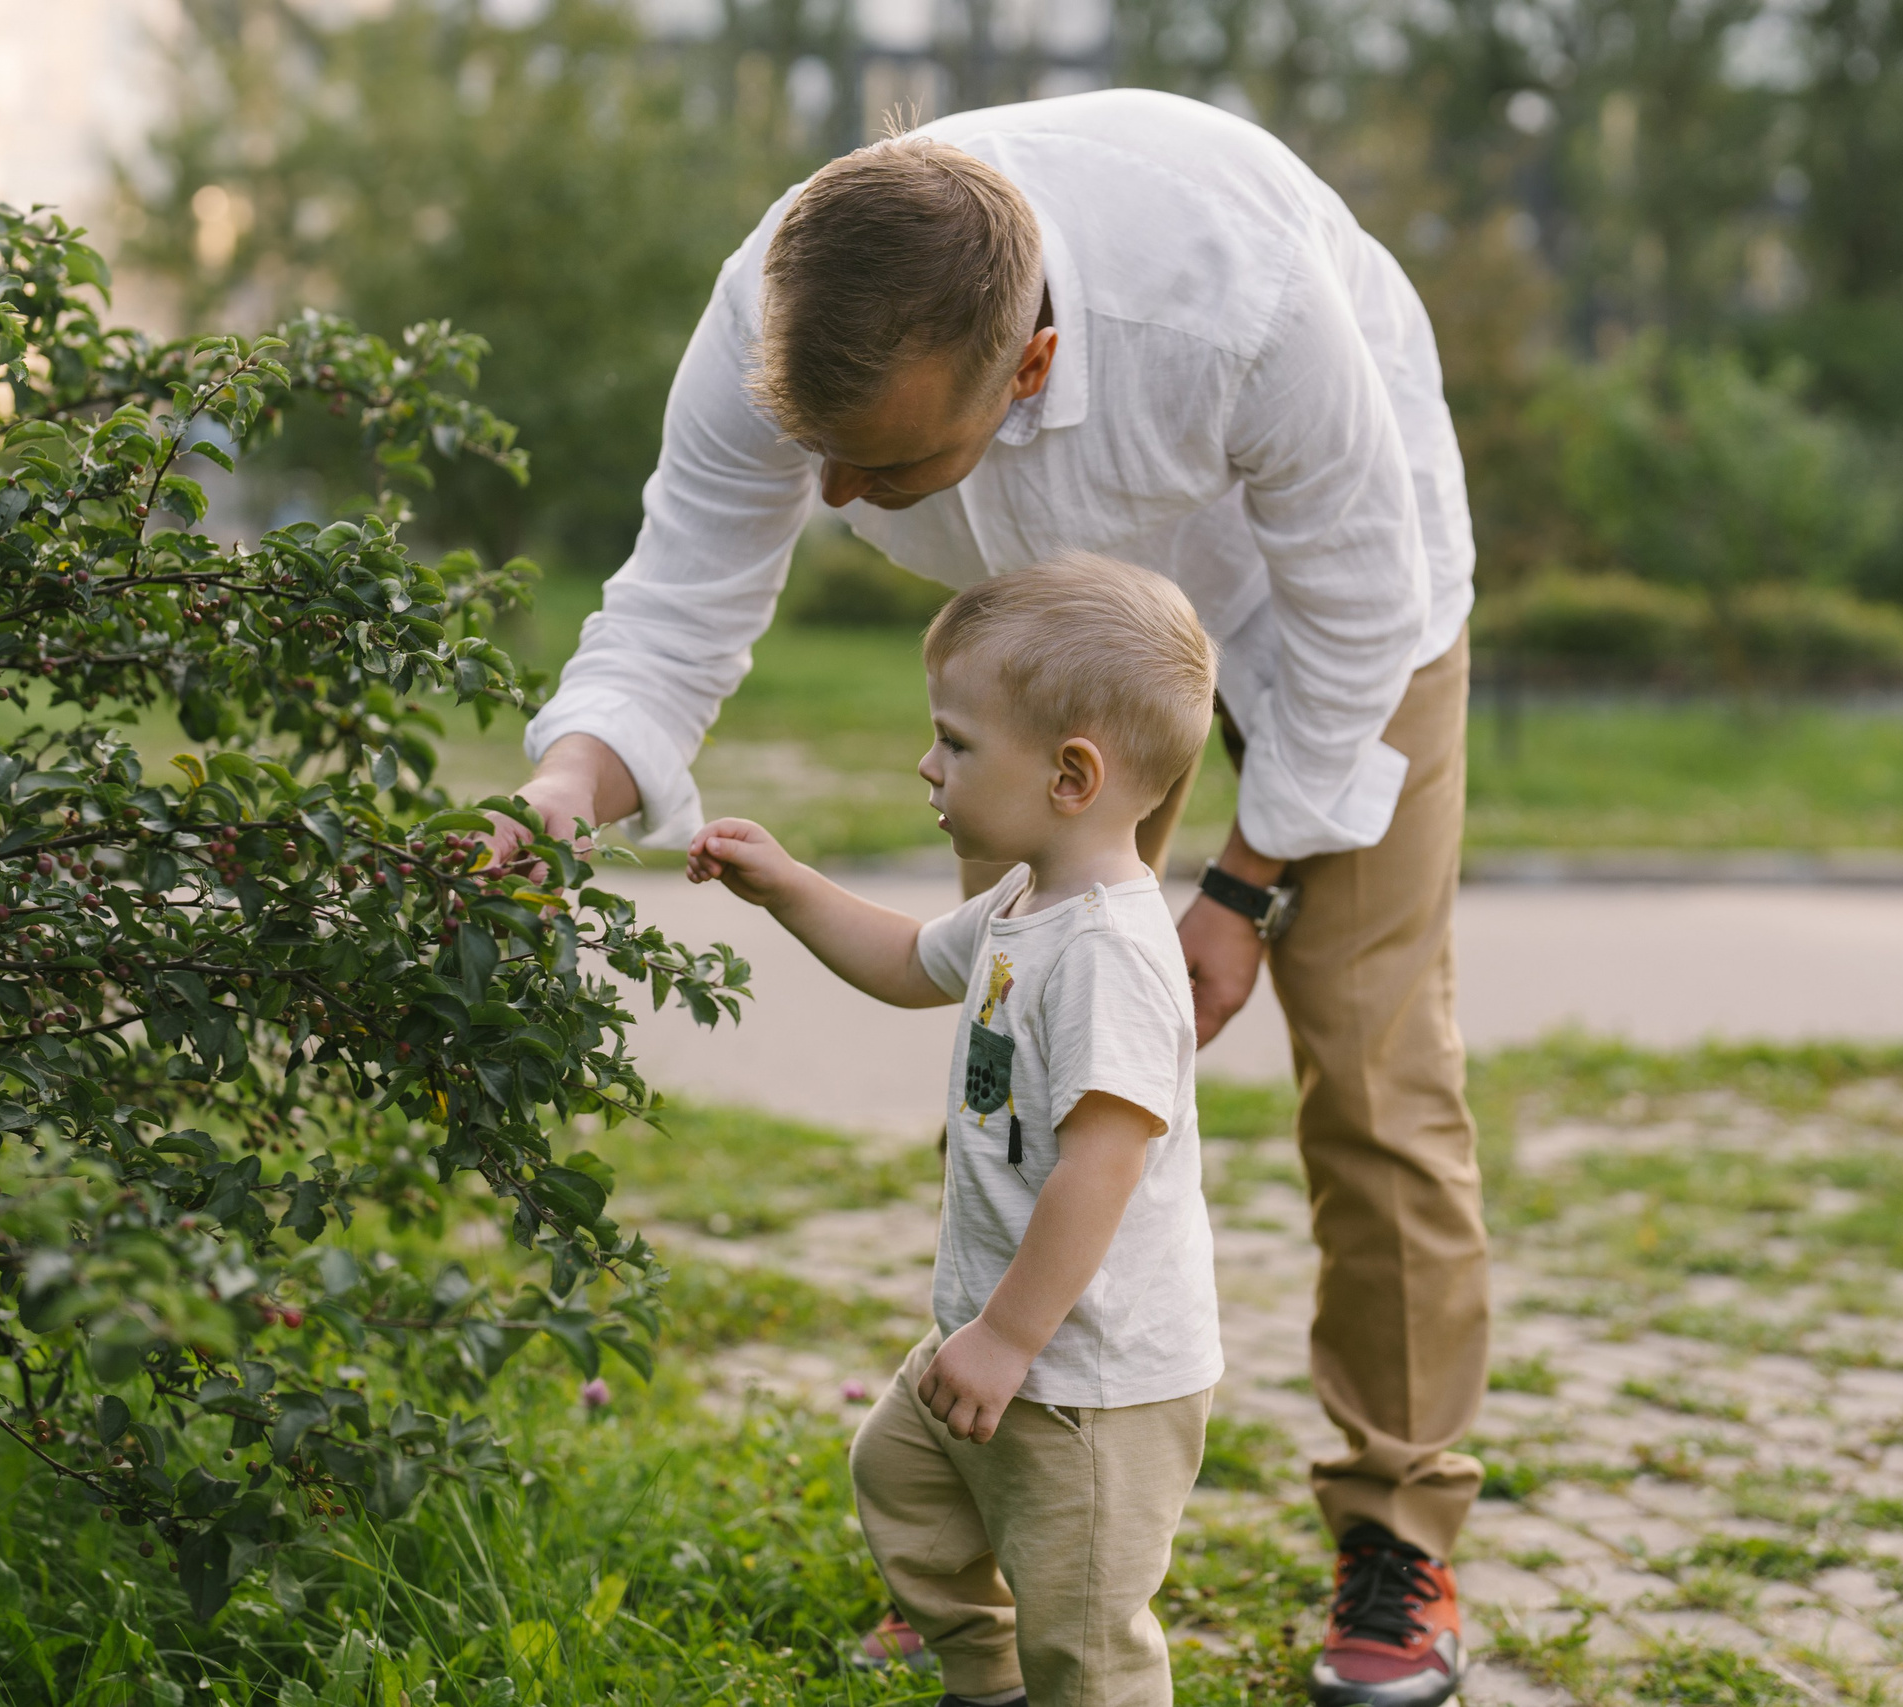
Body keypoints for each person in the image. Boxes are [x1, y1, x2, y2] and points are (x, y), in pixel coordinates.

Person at [510, 89, 1481, 1707]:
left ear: (1028, 366)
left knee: (1373, 1071)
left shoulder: (1229, 294)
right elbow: (678, 603)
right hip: (1040, 680)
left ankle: (1401, 1527)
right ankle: (986, 1532)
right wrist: (562, 796)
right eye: (819, 454)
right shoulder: (787, 301)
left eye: (886, 465)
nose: (834, 501)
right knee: (1013, 1072)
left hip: (1334, 624)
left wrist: (1240, 890)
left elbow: (1361, 607)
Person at [688, 555, 1223, 1707]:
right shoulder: (1025, 904)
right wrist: (788, 887)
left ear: (1071, 775)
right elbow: (904, 962)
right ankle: (988, 1686)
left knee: (1085, 1632)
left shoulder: (1110, 958)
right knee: (902, 1479)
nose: (926, 764)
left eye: (956, 741)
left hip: (1086, 1380)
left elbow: (1104, 1165)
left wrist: (1006, 1338)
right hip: (999, 1342)